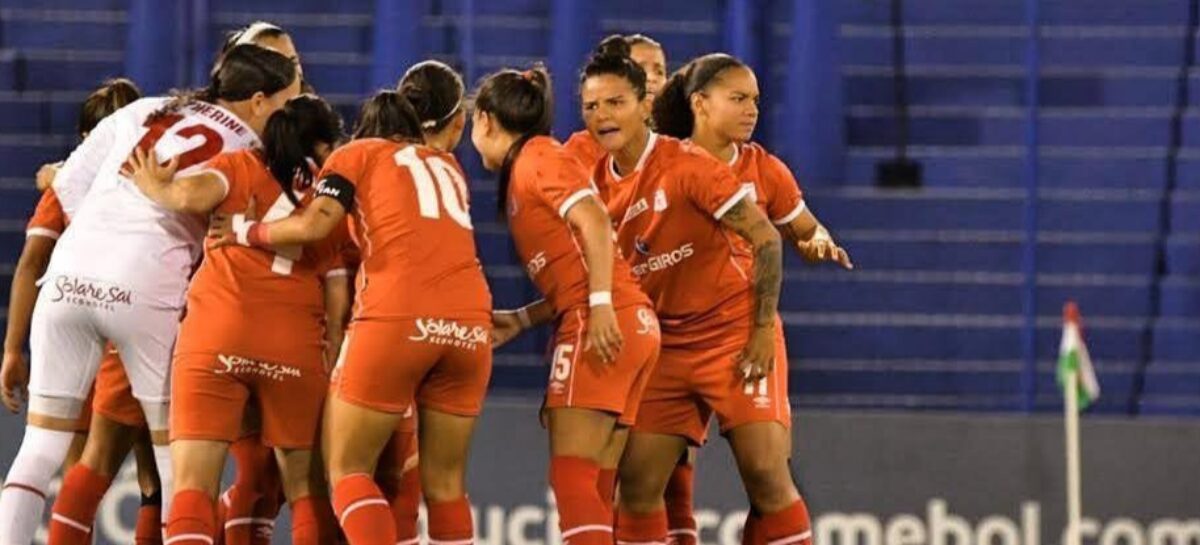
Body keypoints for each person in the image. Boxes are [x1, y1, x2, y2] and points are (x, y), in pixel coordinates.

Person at [0, 43, 301, 544]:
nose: (287, 116)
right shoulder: (253, 148)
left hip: (71, 273)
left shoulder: (144, 109)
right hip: (148, 287)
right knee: (176, 463)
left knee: (39, 447)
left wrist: (107, 231)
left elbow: (66, 187)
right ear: (258, 101)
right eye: (285, 104)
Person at [208, 89, 490, 545]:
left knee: (347, 472)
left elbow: (314, 226)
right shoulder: (448, 166)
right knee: (445, 487)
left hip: (395, 317)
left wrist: (246, 229)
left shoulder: (355, 154)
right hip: (470, 321)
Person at [575, 40, 809, 545]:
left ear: (644, 105)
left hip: (733, 335)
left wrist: (762, 331)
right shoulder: (591, 183)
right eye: (591, 107)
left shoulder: (686, 164)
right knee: (636, 491)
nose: (602, 116)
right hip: (665, 347)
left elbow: (767, 238)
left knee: (767, 476)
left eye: (615, 103)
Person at [125, 94, 347, 544]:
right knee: (306, 490)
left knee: (193, 489)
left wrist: (156, 189)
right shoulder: (329, 196)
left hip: (217, 334)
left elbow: (188, 193)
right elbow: (338, 288)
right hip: (293, 344)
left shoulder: (240, 165)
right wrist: (335, 351)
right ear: (323, 144)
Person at [473, 65, 660, 545]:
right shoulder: (529, 167)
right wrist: (523, 317)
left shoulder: (537, 158)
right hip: (628, 321)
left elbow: (595, 221)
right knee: (597, 481)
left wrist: (599, 308)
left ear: (486, 119)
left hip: (602, 320)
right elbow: (570, 265)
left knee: (571, 477)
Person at [0, 78, 166, 545]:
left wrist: (13, 347)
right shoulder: (158, 180)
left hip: (75, 330)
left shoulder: (68, 182)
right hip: (142, 334)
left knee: (78, 470)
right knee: (158, 473)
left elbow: (31, 263)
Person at [564, 34, 667, 171]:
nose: (652, 78)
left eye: (659, 72)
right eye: (641, 69)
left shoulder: (681, 145)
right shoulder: (582, 149)